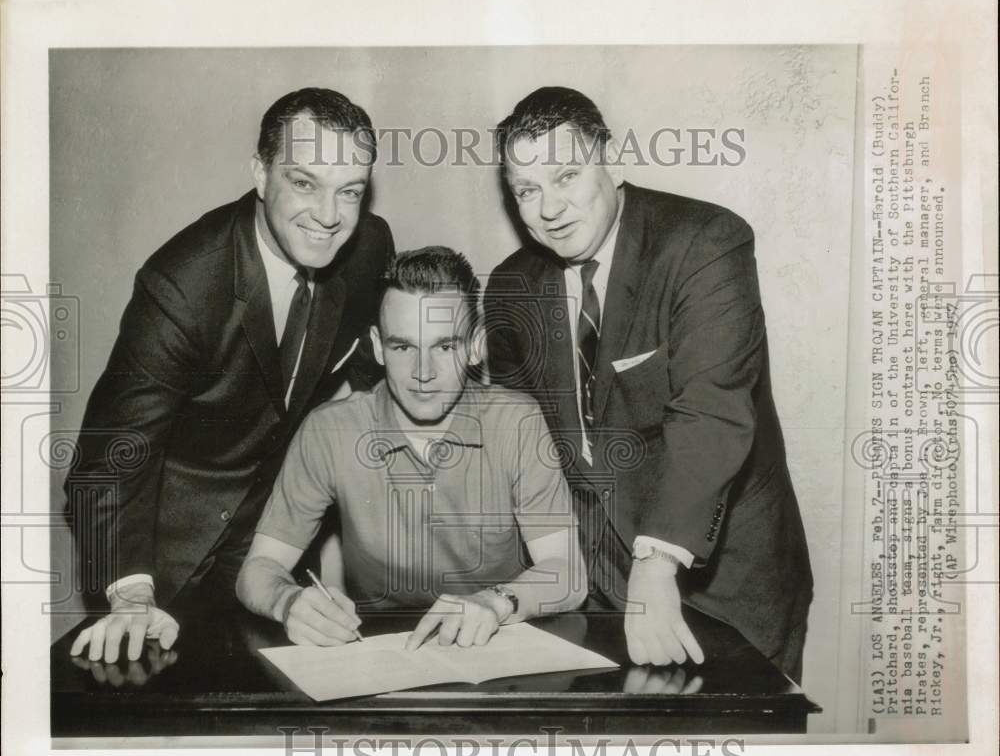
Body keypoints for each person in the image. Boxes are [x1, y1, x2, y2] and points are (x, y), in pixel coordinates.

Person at [484, 86, 813, 681]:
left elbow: (710, 414)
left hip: (730, 581)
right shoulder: (510, 288)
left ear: (607, 156)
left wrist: (657, 561)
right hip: (602, 583)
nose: (548, 208)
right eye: (527, 190)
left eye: (566, 175)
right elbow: (524, 445)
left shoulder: (705, 243)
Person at [66, 87, 395, 663]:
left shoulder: (368, 246)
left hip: (278, 545)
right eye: (303, 182)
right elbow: (110, 459)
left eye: (350, 191)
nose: (328, 215)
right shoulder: (184, 285)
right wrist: (130, 596)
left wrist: (328, 430)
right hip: (160, 562)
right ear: (261, 173)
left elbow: (366, 354)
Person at [237, 246, 586, 649]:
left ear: (475, 346)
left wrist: (496, 602)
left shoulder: (516, 421)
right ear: (378, 346)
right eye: (403, 347)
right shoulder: (329, 430)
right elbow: (257, 569)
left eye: (444, 346)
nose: (423, 373)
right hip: (377, 651)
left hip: (495, 644)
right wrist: (289, 601)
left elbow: (569, 575)